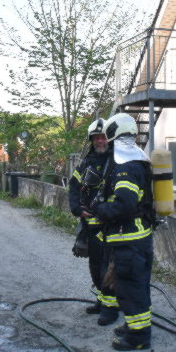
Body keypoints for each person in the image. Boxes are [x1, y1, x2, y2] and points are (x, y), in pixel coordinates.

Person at [88, 113, 155, 351]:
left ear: (114, 136)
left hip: (130, 239)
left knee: (130, 288)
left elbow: (124, 205)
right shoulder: (138, 159)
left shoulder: (125, 167)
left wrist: (100, 209)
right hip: (137, 238)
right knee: (137, 286)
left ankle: (139, 337)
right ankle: (134, 326)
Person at [68, 118, 117, 325]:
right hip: (91, 226)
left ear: (110, 138)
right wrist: (77, 209)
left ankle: (111, 308)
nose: (100, 141)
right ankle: (101, 300)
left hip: (112, 226)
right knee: (95, 266)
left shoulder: (118, 161)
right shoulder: (87, 162)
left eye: (103, 136)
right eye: (96, 138)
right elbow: (73, 185)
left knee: (109, 268)